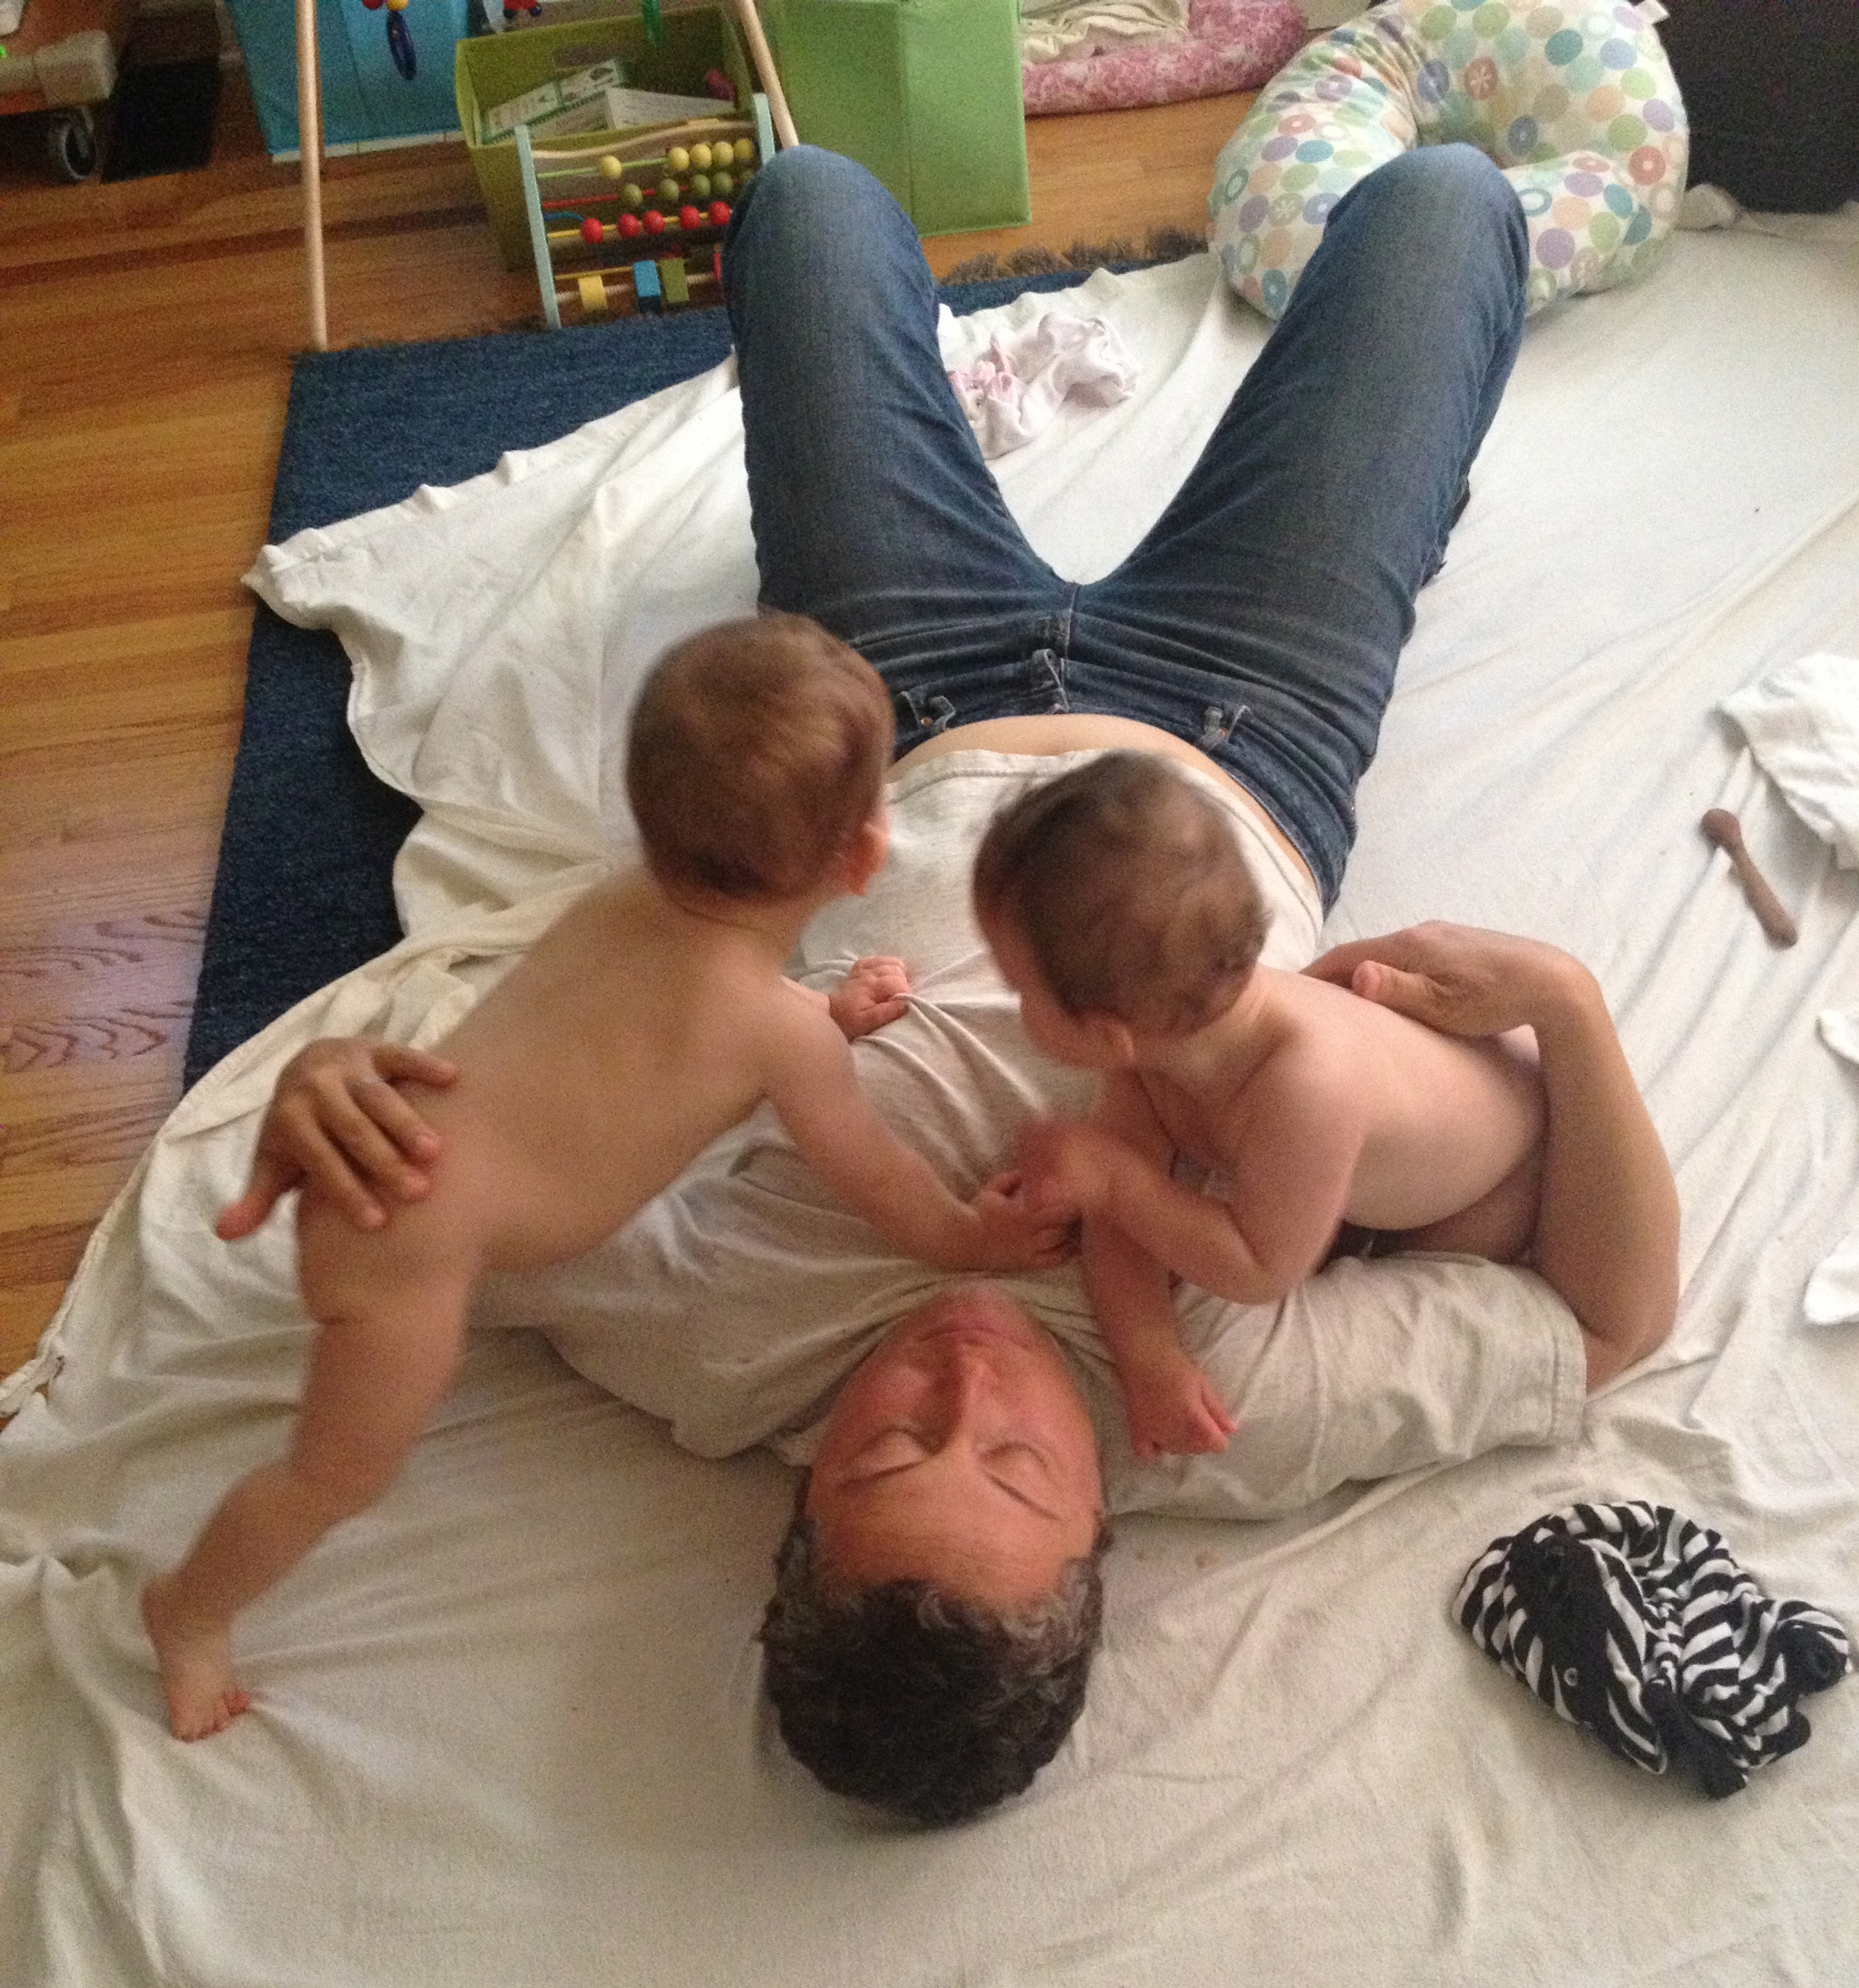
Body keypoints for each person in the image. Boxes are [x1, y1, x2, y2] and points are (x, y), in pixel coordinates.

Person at [204, 144, 1679, 1823]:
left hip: (891, 702)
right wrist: (1565, 1005)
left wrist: (337, 1103)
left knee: (808, 200)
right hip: (1243, 729)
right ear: (1101, 1525)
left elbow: (411, 1236)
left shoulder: (711, 1344)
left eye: (896, 1444)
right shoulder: (1226, 1415)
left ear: (803, 1498)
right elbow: (1606, 1324)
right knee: (1447, 205)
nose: (966, 1377)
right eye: (1020, 1461)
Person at [141, 614, 1066, 1740]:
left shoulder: (622, 902)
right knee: (331, 1479)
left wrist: (825, 1013)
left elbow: (658, 1029)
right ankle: (188, 1611)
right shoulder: (778, 1038)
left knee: (331, 1465)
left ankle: (194, 1606)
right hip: (413, 1255)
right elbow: (880, 1181)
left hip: (383, 1157)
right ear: (864, 856)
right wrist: (969, 1239)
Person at [973, 751, 1546, 1458]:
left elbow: (1259, 1265)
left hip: (1506, 1169)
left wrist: (1119, 1184)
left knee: (1403, 1266)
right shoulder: (1153, 1051)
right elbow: (1120, 1224)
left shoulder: (1305, 1088)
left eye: (1020, 991)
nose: (1011, 1006)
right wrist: (1148, 1356)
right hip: (1432, 1092)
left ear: (1106, 1033)